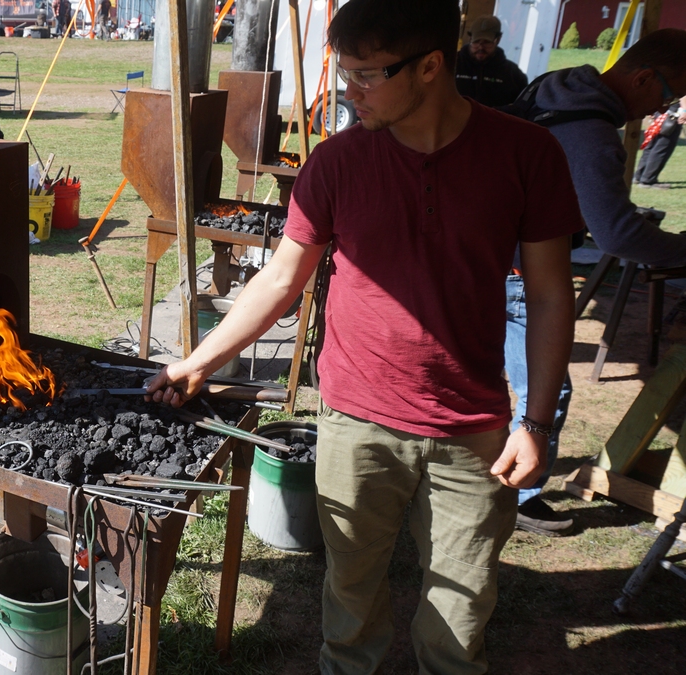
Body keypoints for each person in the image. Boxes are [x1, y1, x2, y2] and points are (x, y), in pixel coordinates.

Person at [144, 0, 581, 672]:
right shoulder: (337, 163)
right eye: (343, 73)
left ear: (432, 65)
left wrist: (539, 421)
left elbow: (552, 295)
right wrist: (200, 361)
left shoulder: (527, 155)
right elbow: (279, 280)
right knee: (349, 603)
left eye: (366, 76)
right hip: (354, 420)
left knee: (459, 619)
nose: (348, 93)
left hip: (472, 428)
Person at [502, 28, 686, 537]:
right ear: (644, 76)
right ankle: (519, 495)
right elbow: (617, 232)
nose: (659, 109)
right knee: (542, 389)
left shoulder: (557, 85)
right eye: (667, 95)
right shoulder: (590, 129)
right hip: (522, 273)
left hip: (489, 256)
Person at [455, 15, 528, 107]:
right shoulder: (451, 65)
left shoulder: (514, 75)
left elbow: (522, 109)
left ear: (498, 39)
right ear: (470, 38)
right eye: (476, 42)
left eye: (487, 42)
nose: (481, 47)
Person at [635, 96, 685, 188]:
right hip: (673, 112)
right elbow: (683, 94)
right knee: (663, 146)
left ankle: (639, 176)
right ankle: (648, 180)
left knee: (653, 144)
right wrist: (685, 110)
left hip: (662, 108)